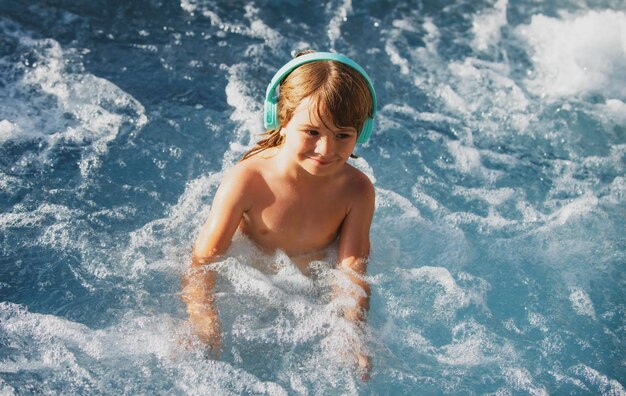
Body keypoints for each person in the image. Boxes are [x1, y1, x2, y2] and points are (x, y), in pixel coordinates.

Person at [181, 50, 377, 379]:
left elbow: (352, 267)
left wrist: (353, 331)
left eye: (342, 135)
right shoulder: (250, 179)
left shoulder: (357, 190)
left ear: (362, 133)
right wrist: (201, 313)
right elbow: (205, 256)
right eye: (312, 132)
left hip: (310, 286)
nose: (326, 149)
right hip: (248, 280)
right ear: (281, 120)